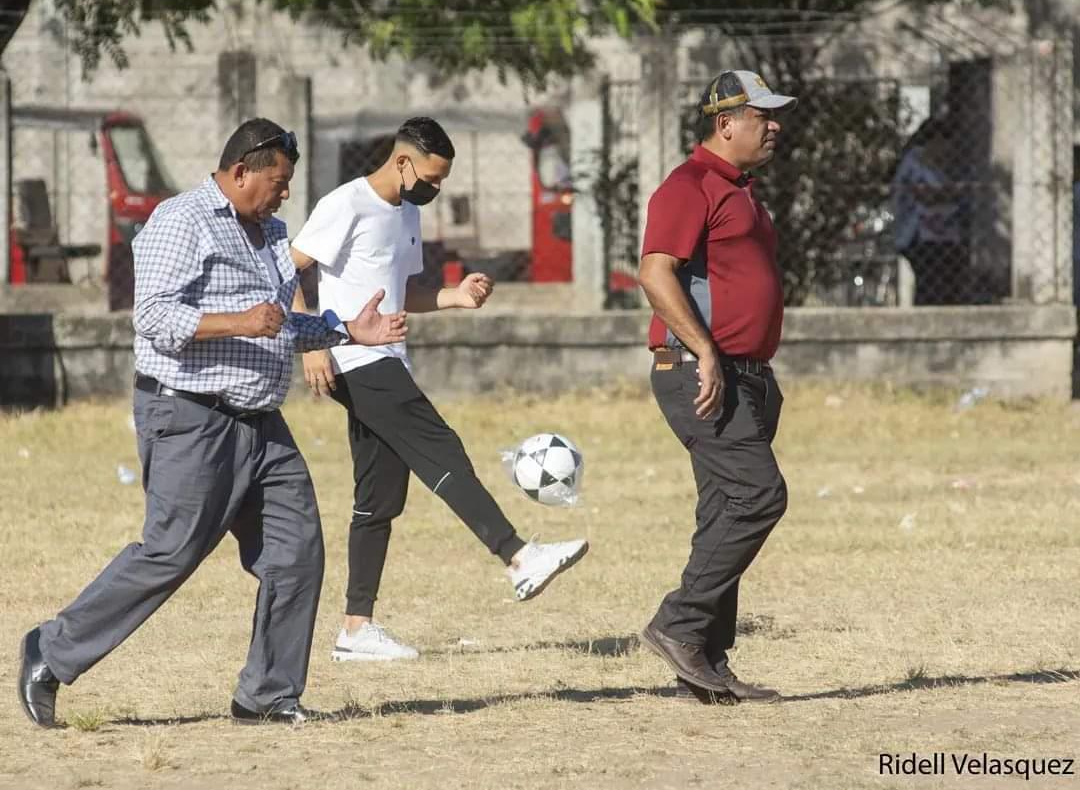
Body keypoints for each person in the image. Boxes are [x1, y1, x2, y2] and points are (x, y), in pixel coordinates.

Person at [17, 118, 407, 728]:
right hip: (190, 415)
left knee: (297, 552)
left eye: (289, 183)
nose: (284, 194)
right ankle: (50, 651)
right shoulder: (181, 220)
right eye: (277, 182)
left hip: (262, 425)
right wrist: (237, 323)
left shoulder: (271, 233)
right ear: (240, 171)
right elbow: (152, 316)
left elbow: (275, 322)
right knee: (171, 551)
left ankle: (268, 693)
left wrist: (345, 330)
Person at [290, 117, 589, 662]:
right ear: (403, 163)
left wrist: (455, 297)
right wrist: (311, 344)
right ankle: (519, 558)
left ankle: (356, 630)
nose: (435, 189)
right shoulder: (345, 204)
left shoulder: (406, 213)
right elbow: (287, 270)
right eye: (430, 176)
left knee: (378, 497)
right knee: (442, 449)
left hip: (384, 355)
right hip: (354, 357)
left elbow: (407, 292)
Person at [636, 71, 796, 705]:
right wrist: (704, 351)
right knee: (759, 496)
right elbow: (655, 273)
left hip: (746, 375)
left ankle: (703, 659)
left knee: (725, 510)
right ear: (726, 122)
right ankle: (676, 625)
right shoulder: (689, 185)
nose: (775, 125)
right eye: (763, 115)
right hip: (700, 372)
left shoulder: (743, 191)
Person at [890, 118, 969, 305]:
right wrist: (954, 192)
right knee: (931, 283)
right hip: (919, 235)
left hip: (940, 234)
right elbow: (926, 196)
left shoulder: (938, 167)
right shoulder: (915, 162)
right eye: (948, 144)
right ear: (936, 141)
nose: (950, 151)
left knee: (948, 283)